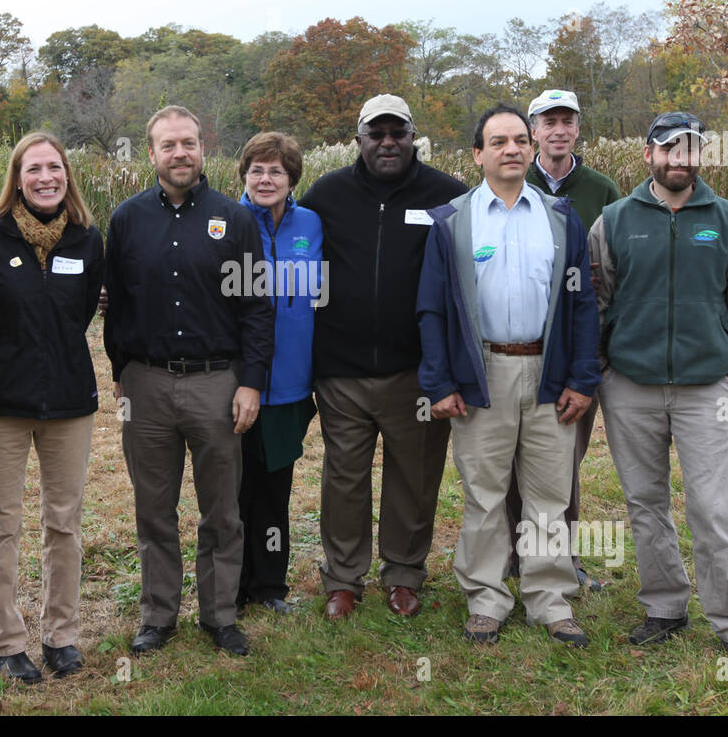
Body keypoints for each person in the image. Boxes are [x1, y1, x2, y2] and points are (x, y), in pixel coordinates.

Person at [589, 111, 728, 668]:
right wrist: (603, 369)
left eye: (690, 149)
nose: (679, 159)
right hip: (630, 387)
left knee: (712, 507)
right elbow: (595, 302)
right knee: (645, 503)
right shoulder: (614, 221)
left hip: (706, 390)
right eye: (669, 148)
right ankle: (665, 607)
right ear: (649, 154)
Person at [417, 104, 600, 646]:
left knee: (549, 493)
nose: (512, 149)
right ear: (478, 154)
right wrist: (440, 382)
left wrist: (582, 378)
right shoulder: (452, 222)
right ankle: (486, 598)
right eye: (498, 142)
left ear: (531, 146)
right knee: (485, 494)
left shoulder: (560, 217)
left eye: (520, 139)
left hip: (549, 371)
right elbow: (431, 309)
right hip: (484, 371)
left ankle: (549, 599)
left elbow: (582, 303)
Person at [103, 106, 274, 656]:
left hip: (216, 384)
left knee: (222, 511)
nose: (180, 153)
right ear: (151, 153)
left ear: (204, 149)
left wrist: (251, 383)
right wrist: (120, 373)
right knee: (153, 509)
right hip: (146, 385)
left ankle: (220, 615)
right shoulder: (127, 220)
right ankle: (158, 615)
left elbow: (257, 307)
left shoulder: (235, 220)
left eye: (188, 143)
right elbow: (115, 305)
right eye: (168, 145)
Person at [299, 94, 467, 620]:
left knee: (413, 478)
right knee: (344, 478)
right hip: (341, 370)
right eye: (377, 134)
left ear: (414, 137)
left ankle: (403, 573)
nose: (388, 142)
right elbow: (284, 242)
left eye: (398, 133)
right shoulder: (327, 194)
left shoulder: (447, 196)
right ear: (359, 140)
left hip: (416, 371)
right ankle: (343, 579)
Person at [0, 131, 102, 683]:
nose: (46, 178)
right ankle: (6, 641)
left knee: (63, 522)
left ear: (67, 175)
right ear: (16, 180)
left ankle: (60, 635)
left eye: (54, 167)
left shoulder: (87, 239)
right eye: (34, 169)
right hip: (1, 405)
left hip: (69, 401)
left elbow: (82, 313)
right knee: (0, 524)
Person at [501, 89, 623, 590]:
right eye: (548, 121)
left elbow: (615, 269)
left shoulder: (601, 191)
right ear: (533, 131)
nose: (558, 130)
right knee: (509, 457)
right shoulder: (510, 179)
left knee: (562, 459)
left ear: (577, 128)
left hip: (575, 346)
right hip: (516, 344)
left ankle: (562, 557)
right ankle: (513, 554)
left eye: (566, 121)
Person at [235, 131, 322, 615]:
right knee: (234, 491)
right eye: (257, 170)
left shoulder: (311, 224)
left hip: (291, 381)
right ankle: (231, 586)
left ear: (292, 178)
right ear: (244, 176)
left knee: (274, 489)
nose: (266, 179)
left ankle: (269, 586)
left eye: (277, 171)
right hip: (236, 382)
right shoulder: (225, 222)